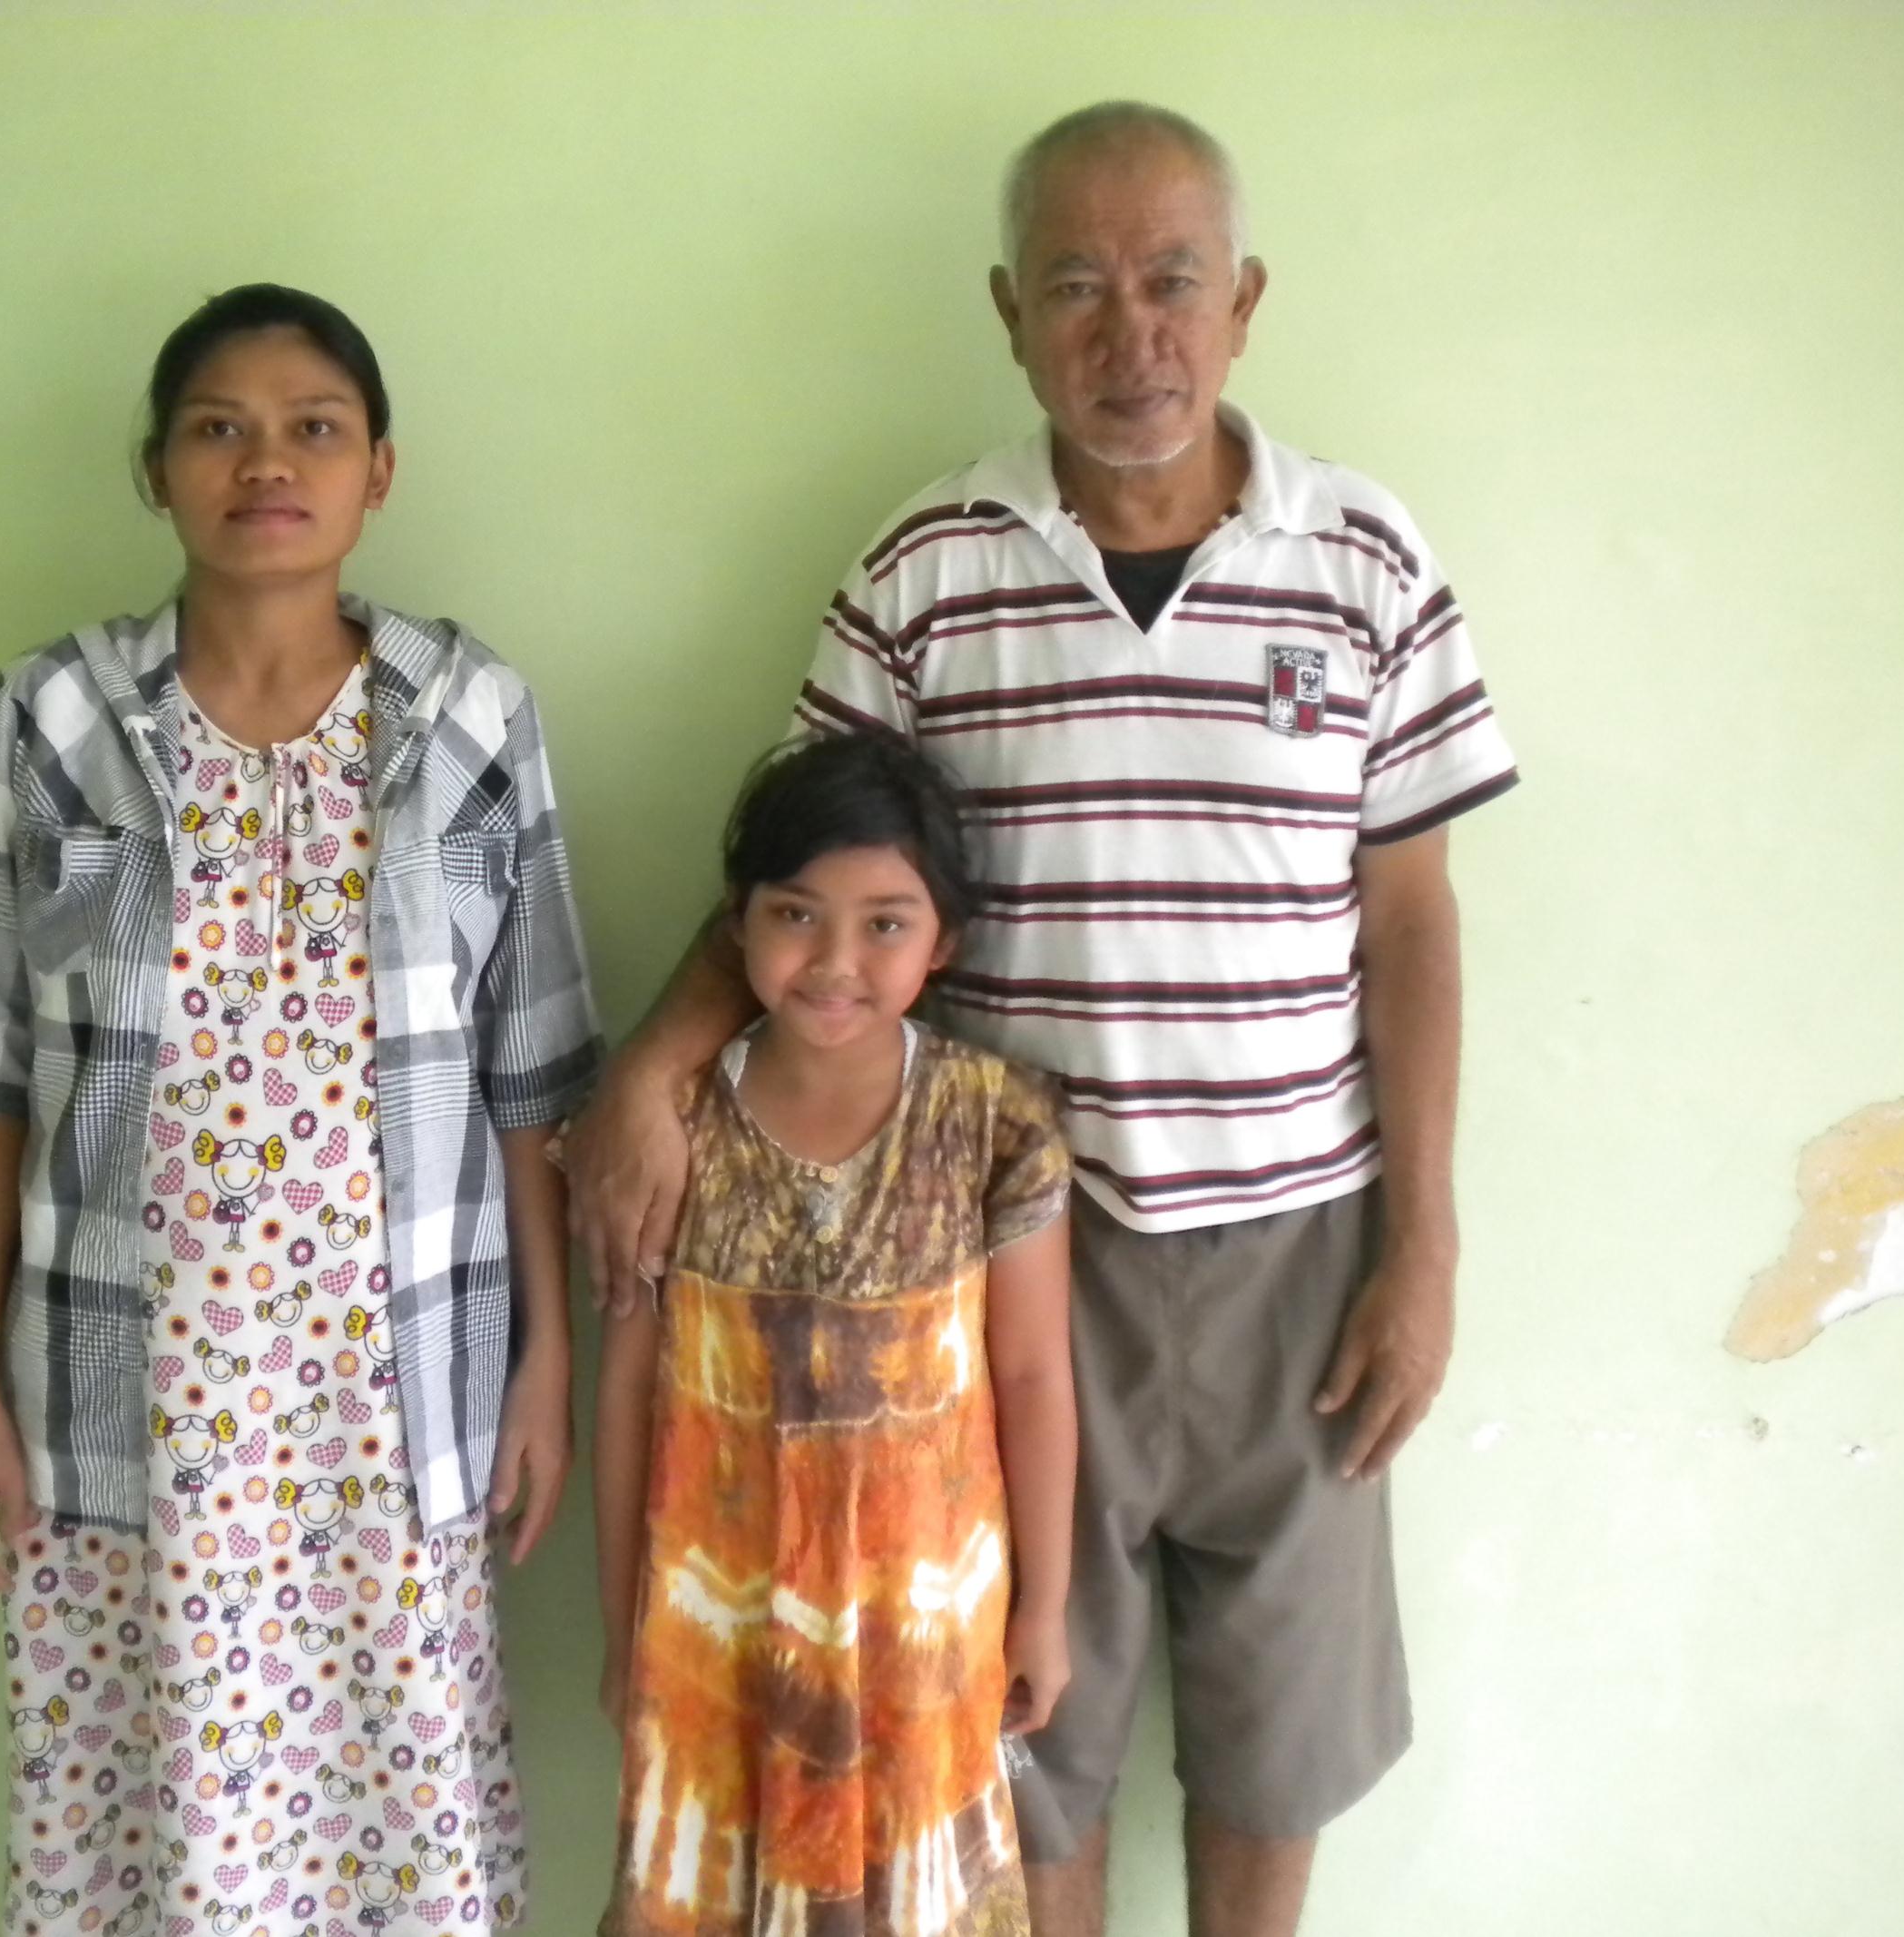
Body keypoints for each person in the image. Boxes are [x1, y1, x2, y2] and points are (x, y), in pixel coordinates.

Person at [566, 104, 1518, 1937]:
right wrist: (656, 1066)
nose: (1128, 333)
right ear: (1009, 313)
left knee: (1280, 1729)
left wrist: (1424, 1242)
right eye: (1076, 286)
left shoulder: (1365, 557)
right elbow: (805, 870)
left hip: (1298, 1246)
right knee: (1021, 1716)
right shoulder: (925, 565)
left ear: (1242, 300)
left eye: (1171, 281)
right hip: (1006, 1248)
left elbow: (1411, 921)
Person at [0, 282, 600, 1937]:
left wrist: (546, 1360)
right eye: (218, 427)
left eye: (313, 430)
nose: (265, 463)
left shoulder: (472, 716)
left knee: (392, 1811)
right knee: (155, 1822)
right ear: (155, 470)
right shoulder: (50, 720)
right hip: (119, 1404)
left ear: (378, 472)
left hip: (393, 1401)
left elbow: (530, 1077)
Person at [593, 733, 1076, 1937]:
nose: (835, 961)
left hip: (928, 1645)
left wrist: (1045, 1609)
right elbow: (630, 1390)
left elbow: (1030, 1374)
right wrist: (621, 1631)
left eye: (884, 923)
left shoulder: (994, 1124)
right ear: (739, 922)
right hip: (718, 1641)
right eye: (796, 915)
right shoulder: (673, 1129)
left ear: (942, 941)